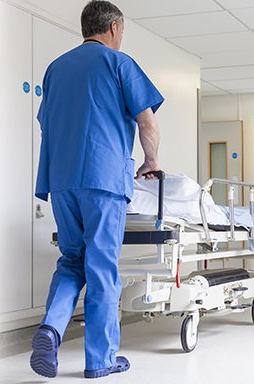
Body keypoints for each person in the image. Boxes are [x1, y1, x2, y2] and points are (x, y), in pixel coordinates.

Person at [30, 0, 164, 379]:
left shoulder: (56, 69)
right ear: (115, 27)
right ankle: (100, 360)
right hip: (103, 181)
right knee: (102, 267)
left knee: (72, 260)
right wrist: (151, 161)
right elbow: (147, 122)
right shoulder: (120, 63)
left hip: (61, 180)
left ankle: (51, 328)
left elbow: (47, 127)